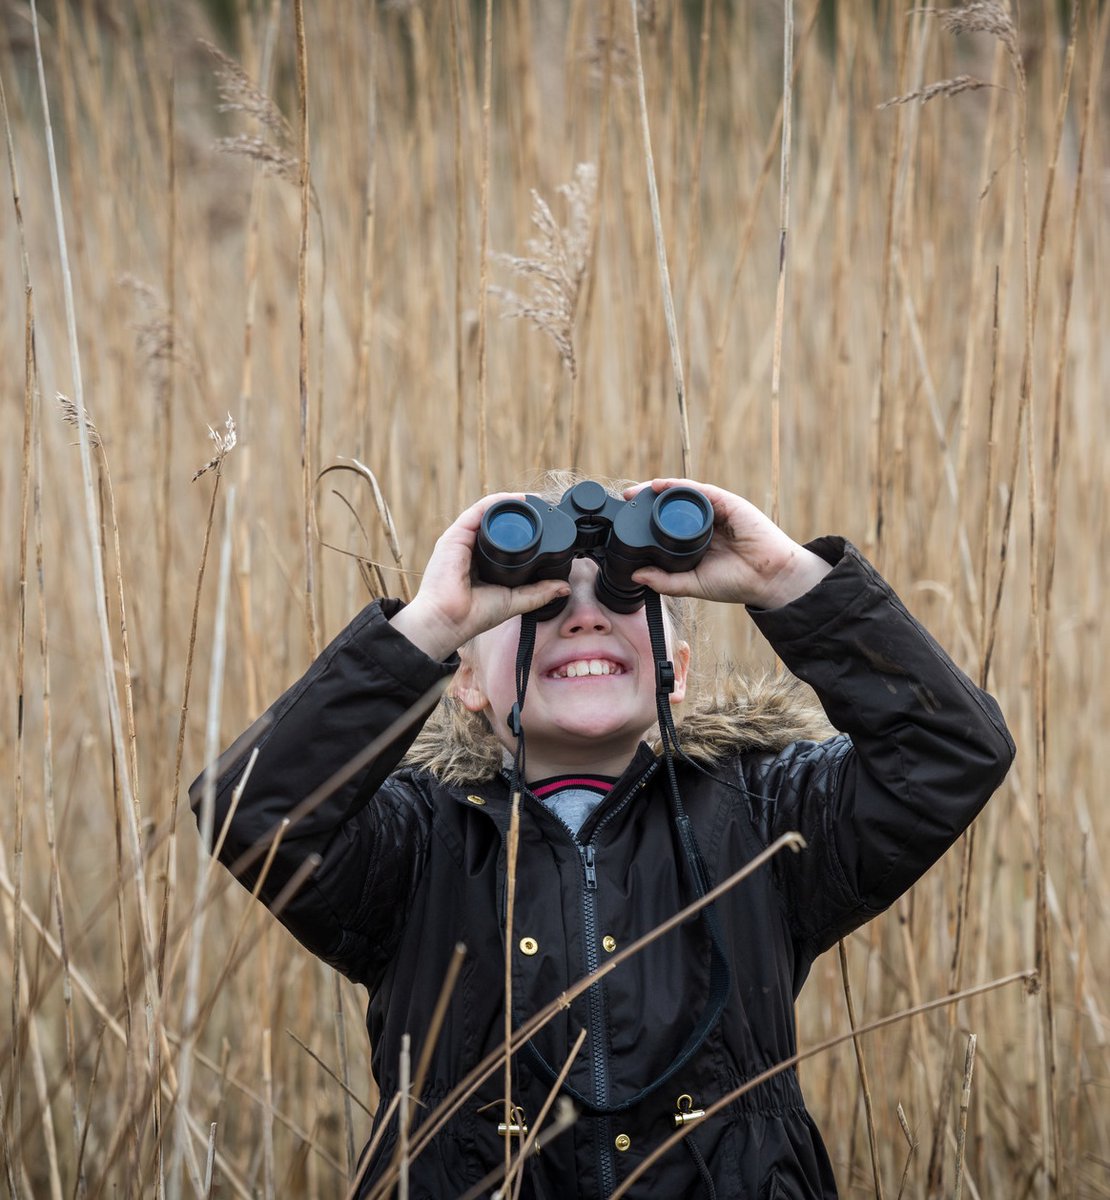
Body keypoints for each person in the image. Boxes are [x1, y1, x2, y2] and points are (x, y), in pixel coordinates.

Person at [191, 474, 1014, 1199]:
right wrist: (430, 623)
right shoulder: (416, 843)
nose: (583, 619)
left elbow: (952, 754)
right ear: (466, 682)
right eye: (539, 603)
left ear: (677, 671)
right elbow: (251, 810)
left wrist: (783, 579)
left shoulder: (763, 818)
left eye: (623, 598)